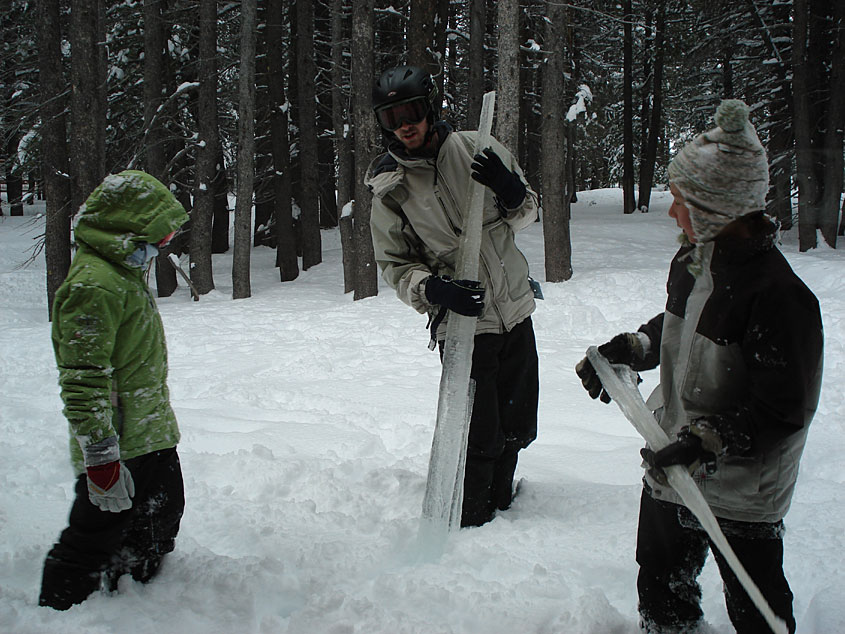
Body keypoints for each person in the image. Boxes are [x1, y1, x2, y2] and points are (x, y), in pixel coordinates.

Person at [576, 100, 823, 634]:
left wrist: (706, 441)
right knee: (662, 587)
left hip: (743, 486)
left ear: (716, 209)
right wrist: (634, 346)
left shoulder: (780, 297)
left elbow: (784, 409)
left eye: (682, 201)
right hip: (673, 464)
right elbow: (678, 329)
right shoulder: (693, 261)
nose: (672, 212)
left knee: (756, 607)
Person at [366, 65, 540, 528]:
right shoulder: (390, 187)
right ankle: (472, 520)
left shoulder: (477, 148)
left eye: (412, 111)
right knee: (478, 430)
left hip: (514, 308)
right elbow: (395, 265)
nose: (405, 124)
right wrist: (433, 289)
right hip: (464, 322)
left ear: (430, 108)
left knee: (518, 422)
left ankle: (505, 503)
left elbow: (526, 214)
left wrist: (510, 190)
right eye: (391, 117)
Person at [39, 170, 190, 610]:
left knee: (159, 520)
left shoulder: (120, 272)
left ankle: (137, 601)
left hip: (151, 434)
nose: (162, 247)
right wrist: (101, 458)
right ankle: (61, 611)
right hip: (118, 446)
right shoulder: (93, 285)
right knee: (94, 534)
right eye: (157, 238)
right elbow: (82, 378)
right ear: (126, 228)